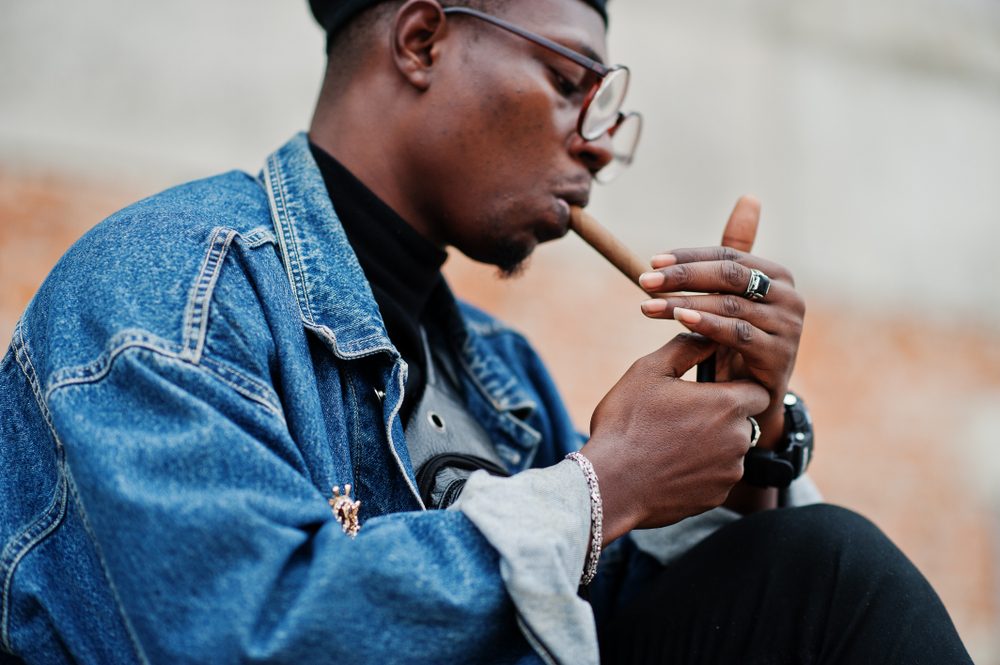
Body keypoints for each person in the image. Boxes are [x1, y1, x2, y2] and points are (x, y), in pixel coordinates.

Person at [0, 0, 973, 663]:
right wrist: (603, 485)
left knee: (820, 571)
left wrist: (753, 437)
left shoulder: (499, 373)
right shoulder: (173, 286)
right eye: (566, 81)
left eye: (603, 104)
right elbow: (234, 635)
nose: (596, 140)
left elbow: (650, 625)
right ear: (420, 40)